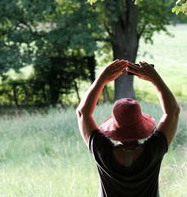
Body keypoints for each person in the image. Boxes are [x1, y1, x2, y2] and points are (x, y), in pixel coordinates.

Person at [76, 59, 180, 197]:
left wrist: (102, 78)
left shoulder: (101, 151)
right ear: (141, 124)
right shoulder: (154, 150)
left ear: (114, 126)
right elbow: (172, 112)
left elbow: (83, 113)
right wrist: (154, 78)